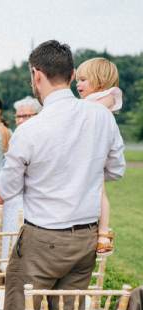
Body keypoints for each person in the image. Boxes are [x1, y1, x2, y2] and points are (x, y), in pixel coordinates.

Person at [0, 40, 125, 310]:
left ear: (37, 75)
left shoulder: (31, 130)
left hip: (42, 241)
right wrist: (82, 173)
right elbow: (116, 170)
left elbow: (5, 189)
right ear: (71, 73)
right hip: (84, 239)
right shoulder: (101, 118)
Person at [76, 57, 123, 256]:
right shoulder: (87, 101)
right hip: (89, 151)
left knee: (100, 193)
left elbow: (97, 109)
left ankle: (103, 234)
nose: (78, 84)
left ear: (101, 81)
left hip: (95, 154)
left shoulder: (107, 96)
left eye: (84, 79)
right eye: (77, 79)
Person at [0, 95, 42, 256]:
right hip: (12, 201)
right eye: (18, 116)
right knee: (10, 247)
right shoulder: (16, 136)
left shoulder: (39, 137)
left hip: (30, 203)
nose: (21, 120)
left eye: (26, 116)